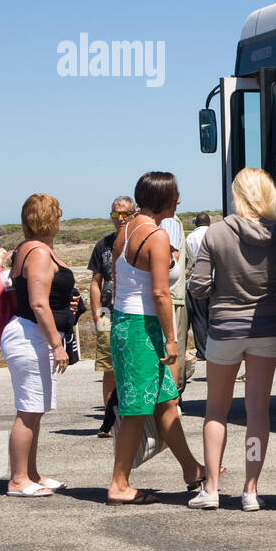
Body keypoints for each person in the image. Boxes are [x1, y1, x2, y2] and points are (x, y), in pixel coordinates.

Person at [106, 171, 211, 506]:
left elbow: (118, 278)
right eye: (175, 196)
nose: (179, 201)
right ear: (164, 200)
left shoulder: (125, 230)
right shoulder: (157, 236)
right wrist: (171, 341)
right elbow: (161, 294)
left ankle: (192, 469)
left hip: (125, 323)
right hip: (142, 328)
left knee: (166, 401)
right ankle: (119, 483)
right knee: (137, 409)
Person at [186, 173, 276, 511]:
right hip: (265, 327)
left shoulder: (216, 232)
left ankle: (211, 487)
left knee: (216, 410)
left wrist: (221, 292)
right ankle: (250, 490)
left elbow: (197, 286)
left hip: (225, 328)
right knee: (257, 412)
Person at [1, 194, 80, 497]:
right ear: (48, 217)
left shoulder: (32, 249)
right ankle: (18, 479)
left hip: (33, 334)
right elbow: (37, 302)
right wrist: (57, 345)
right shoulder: (37, 252)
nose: (61, 217)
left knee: (36, 409)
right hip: (30, 335)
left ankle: (31, 473)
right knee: (28, 410)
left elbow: (48, 296)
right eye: (58, 213)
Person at [89, 195, 135, 437]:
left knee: (132, 363)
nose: (120, 219)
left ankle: (131, 416)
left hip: (133, 310)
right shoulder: (103, 245)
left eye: (125, 214)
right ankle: (109, 420)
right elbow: (96, 282)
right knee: (110, 366)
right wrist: (96, 312)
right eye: (115, 214)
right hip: (108, 311)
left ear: (134, 214)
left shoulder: (138, 240)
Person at [160, 207, 191, 394]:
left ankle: (172, 395)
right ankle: (174, 395)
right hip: (174, 294)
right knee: (175, 346)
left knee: (172, 347)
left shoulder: (168, 221)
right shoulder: (170, 221)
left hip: (170, 295)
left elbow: (170, 260)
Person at [184, 212, 212, 363]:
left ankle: (202, 351)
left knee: (199, 318)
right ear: (208, 222)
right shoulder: (214, 234)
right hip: (214, 280)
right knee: (212, 316)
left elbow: (188, 261)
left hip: (196, 282)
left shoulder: (190, 238)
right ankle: (215, 348)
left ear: (196, 223)